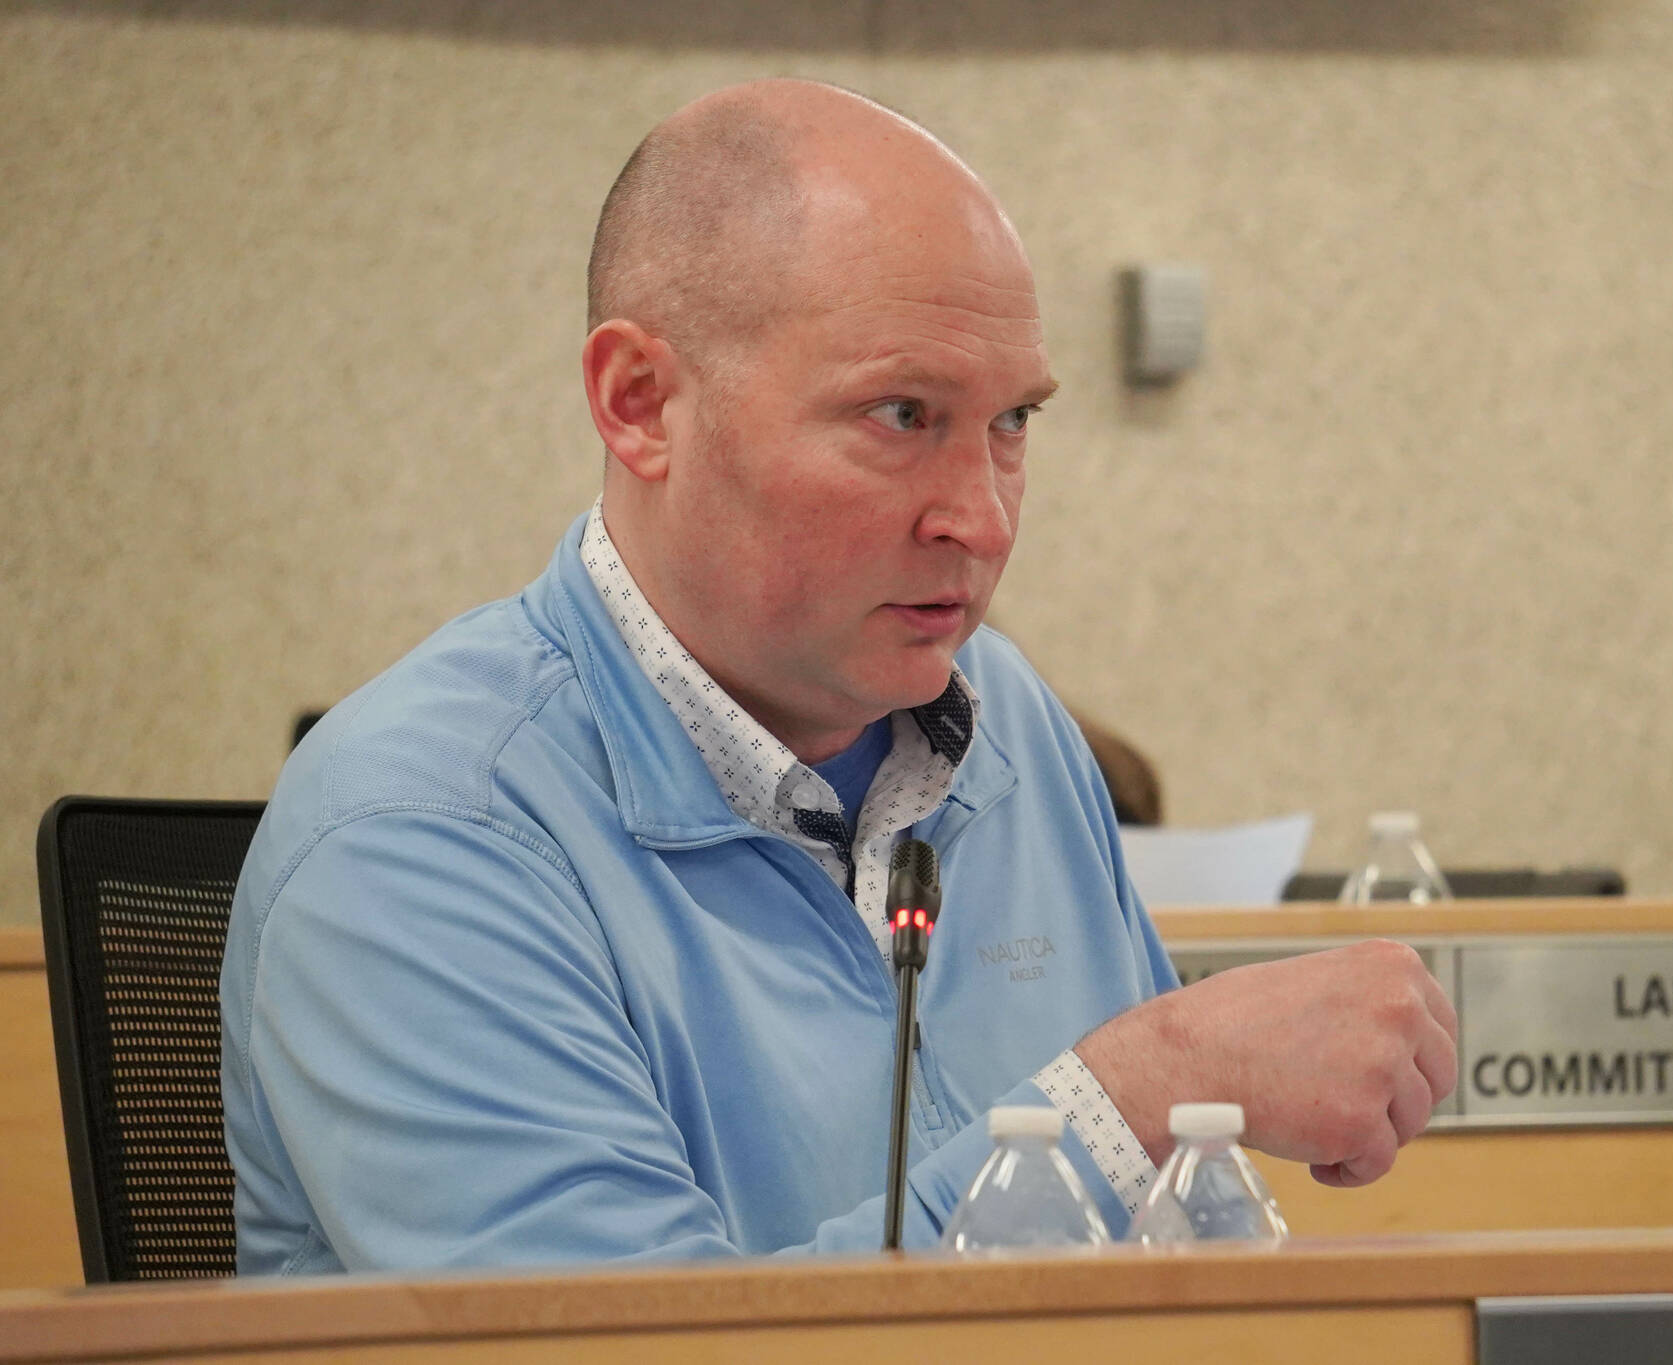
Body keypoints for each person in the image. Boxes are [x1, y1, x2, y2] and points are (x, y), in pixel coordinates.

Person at [220, 80, 1457, 1274]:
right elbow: (632, 1349)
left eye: (1013, 422)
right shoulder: (420, 829)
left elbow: (1163, 1276)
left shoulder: (1006, 718)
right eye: (902, 415)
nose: (979, 518)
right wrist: (1140, 1094)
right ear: (640, 403)